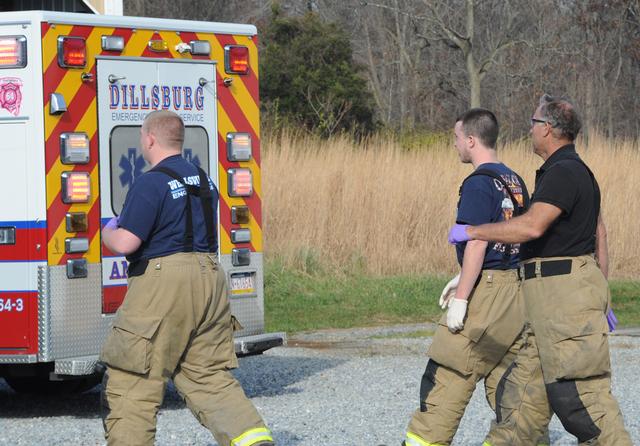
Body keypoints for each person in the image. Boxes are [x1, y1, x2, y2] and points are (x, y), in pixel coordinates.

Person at [449, 95, 632, 445]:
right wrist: (601, 293)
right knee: (522, 406)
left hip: (564, 306)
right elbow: (600, 232)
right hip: (546, 309)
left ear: (547, 129)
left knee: (582, 402)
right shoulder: (563, 171)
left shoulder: (565, 172)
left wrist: (473, 231)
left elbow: (532, 227)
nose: (529, 129)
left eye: (533, 123)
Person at [100, 110, 274, 446]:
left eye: (141, 137)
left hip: (164, 283)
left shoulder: (150, 182)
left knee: (134, 379)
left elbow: (127, 243)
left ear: (149, 139)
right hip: (209, 278)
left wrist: (109, 230)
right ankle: (255, 441)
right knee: (207, 376)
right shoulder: (203, 180)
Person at [403, 108, 549, 446]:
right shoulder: (515, 181)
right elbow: (512, 237)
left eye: (456, 138)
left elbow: (477, 240)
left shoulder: (478, 184)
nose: (454, 145)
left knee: (447, 373)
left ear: (471, 140)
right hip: (516, 292)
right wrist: (464, 276)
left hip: (488, 295)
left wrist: (462, 297)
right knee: (509, 385)